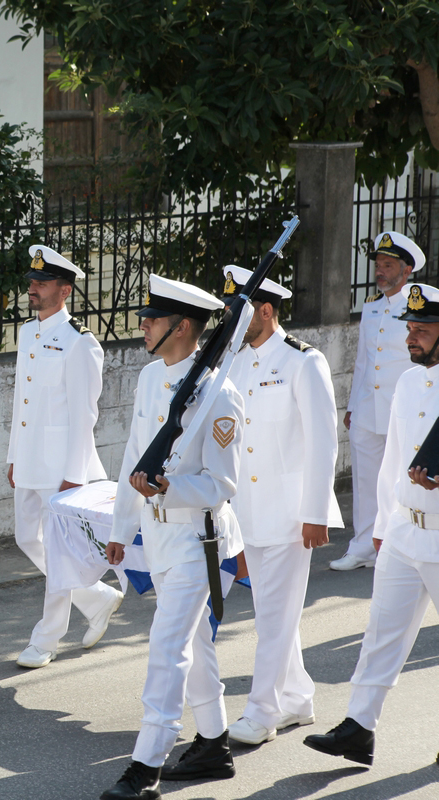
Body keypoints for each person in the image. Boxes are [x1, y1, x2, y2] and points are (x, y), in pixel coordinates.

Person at [101, 276, 244, 800]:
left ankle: (146, 765)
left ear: (182, 327)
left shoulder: (219, 393)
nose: (143, 325)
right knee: (195, 643)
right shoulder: (148, 378)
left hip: (198, 541)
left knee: (168, 646)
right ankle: (214, 743)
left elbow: (222, 485)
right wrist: (122, 528)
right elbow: (132, 459)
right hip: (158, 539)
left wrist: (169, 487)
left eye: (153, 319)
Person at [304, 282, 439, 766]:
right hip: (404, 531)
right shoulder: (408, 382)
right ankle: (359, 728)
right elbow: (393, 462)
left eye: (423, 330)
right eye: (410, 329)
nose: (411, 338)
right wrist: (382, 525)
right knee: (381, 634)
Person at [218, 266, 343, 746]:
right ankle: (297, 698)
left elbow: (322, 442)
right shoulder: (237, 362)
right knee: (275, 611)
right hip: (248, 511)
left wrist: (316, 512)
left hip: (291, 514)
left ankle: (262, 711)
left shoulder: (302, 362)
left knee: (274, 616)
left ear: (265, 311)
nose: (230, 318)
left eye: (238, 311)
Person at [9, 246, 122, 669]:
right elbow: (21, 400)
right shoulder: (27, 332)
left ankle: (46, 639)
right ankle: (97, 598)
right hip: (30, 461)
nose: (32, 288)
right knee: (27, 539)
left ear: (65, 290)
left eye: (41, 283)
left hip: (61, 468)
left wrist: (75, 476)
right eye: (32, 282)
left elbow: (84, 415)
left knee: (56, 550)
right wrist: (14, 456)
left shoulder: (80, 343)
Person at [337, 232, 425, 570]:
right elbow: (362, 360)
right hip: (367, 409)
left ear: (406, 271)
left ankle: (394, 544)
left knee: (399, 479)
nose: (380, 271)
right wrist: (352, 405)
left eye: (388, 265)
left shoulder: (418, 309)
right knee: (365, 480)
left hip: (400, 409)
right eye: (378, 265)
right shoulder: (372, 307)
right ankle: (362, 545)